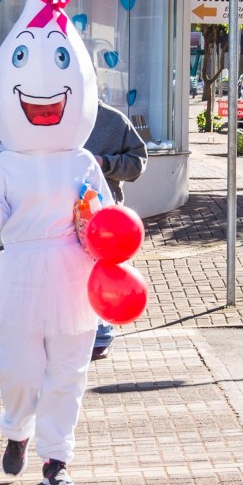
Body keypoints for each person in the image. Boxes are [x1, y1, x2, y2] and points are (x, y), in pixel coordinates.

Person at [0, 0, 113, 485]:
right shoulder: (7, 161)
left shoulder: (83, 160)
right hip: (19, 268)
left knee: (69, 370)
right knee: (17, 368)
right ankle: (17, 428)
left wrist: (106, 234)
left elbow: (105, 216)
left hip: (73, 273)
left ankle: (56, 456)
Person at [83, 101, 147, 360]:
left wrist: (104, 163)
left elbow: (138, 162)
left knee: (103, 275)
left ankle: (101, 336)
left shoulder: (114, 120)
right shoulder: (60, 116)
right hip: (65, 216)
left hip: (105, 218)